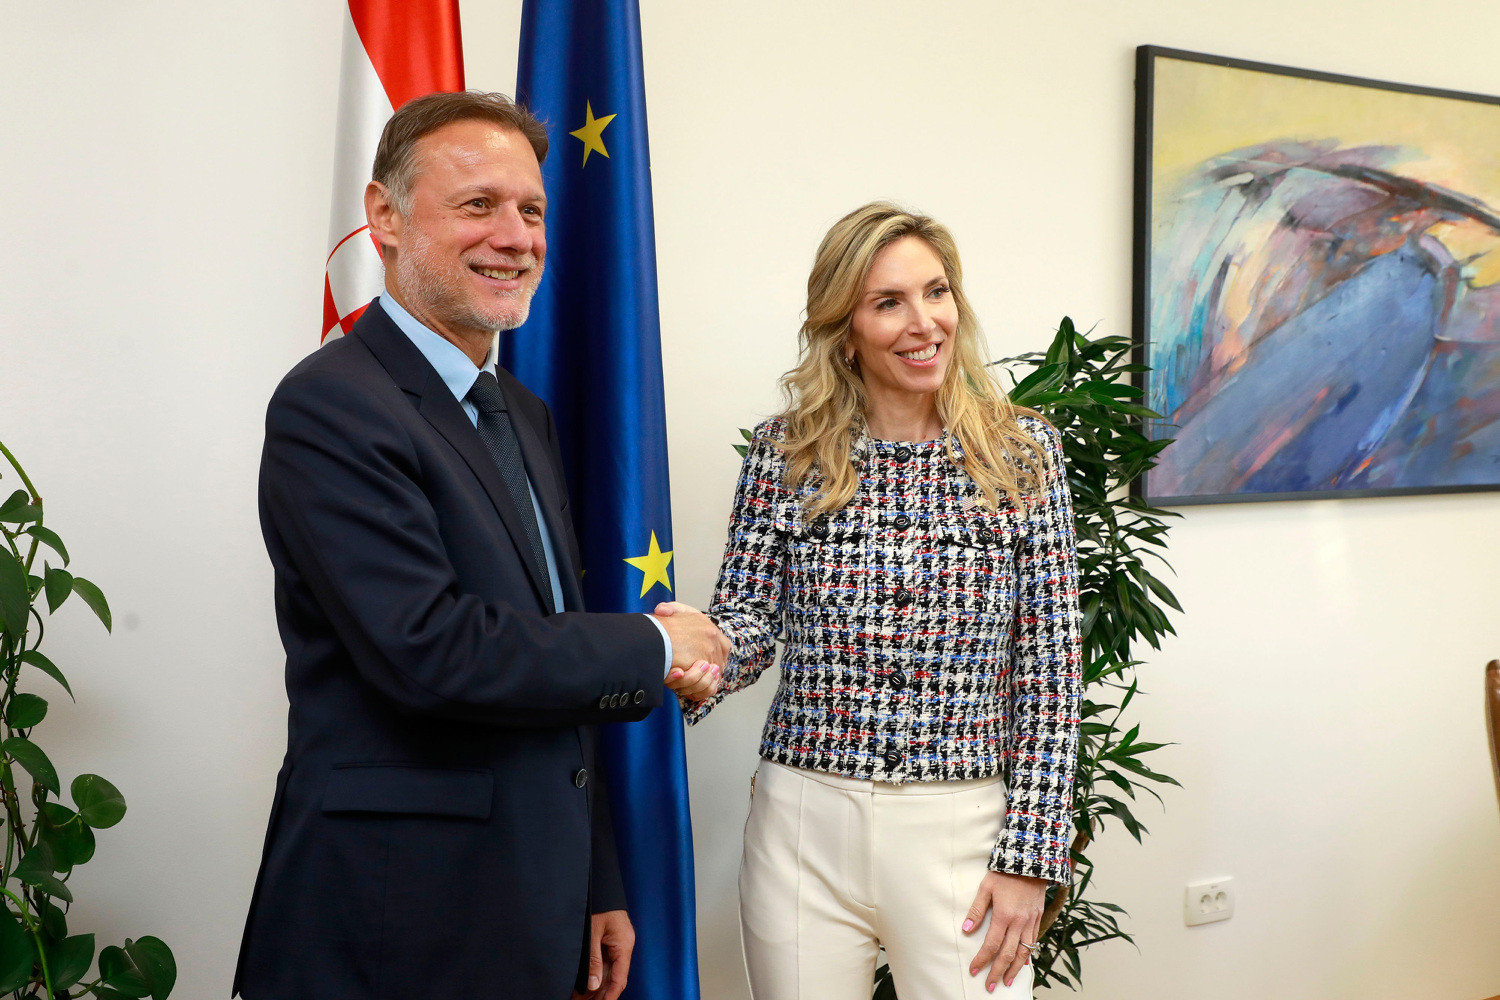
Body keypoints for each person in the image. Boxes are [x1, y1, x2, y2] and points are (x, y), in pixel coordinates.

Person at [233, 91, 725, 1000]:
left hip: (531, 900)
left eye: (531, 210)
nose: (515, 237)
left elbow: (551, 646)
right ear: (384, 216)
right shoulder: (331, 403)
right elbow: (433, 651)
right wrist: (656, 647)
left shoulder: (520, 413)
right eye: (478, 205)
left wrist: (595, 879)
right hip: (392, 918)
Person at [662, 202, 1082, 999]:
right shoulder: (786, 452)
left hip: (960, 831)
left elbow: (1050, 668)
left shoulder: (1023, 456)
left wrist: (1030, 857)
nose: (924, 322)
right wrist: (705, 651)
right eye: (889, 302)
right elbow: (749, 622)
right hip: (802, 826)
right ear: (844, 330)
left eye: (936, 291)